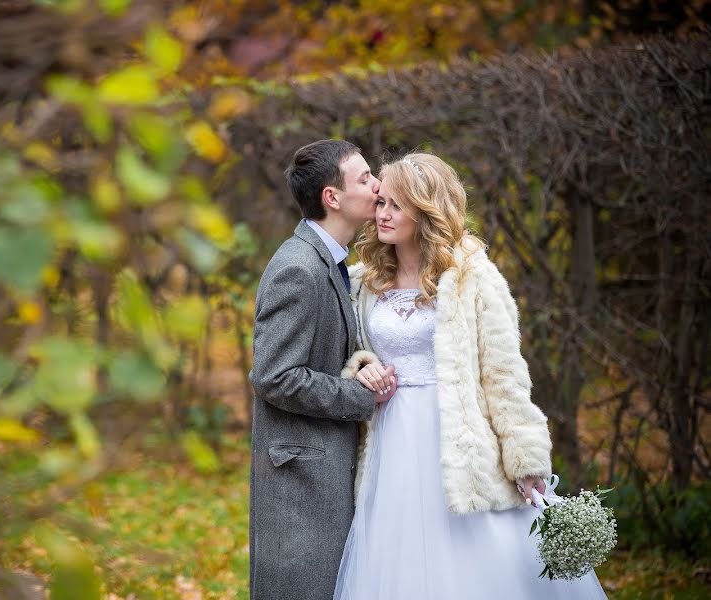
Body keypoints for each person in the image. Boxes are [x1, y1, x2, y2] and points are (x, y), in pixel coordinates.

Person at [334, 152, 607, 598]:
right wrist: (363, 368)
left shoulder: (472, 276)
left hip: (460, 439)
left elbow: (503, 374)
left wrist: (526, 457)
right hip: (389, 440)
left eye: (396, 206)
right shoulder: (362, 281)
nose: (382, 214)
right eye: (381, 203)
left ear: (425, 209)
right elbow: (351, 350)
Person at [249, 139, 398, 600]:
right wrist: (359, 396)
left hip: (320, 469)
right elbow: (274, 375)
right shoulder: (299, 268)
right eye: (365, 178)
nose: (378, 187)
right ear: (332, 198)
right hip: (301, 480)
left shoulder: (330, 262)